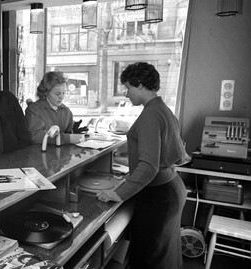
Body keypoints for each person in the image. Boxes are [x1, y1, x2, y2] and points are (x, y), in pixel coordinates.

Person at [96, 62, 190, 269]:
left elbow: (148, 167)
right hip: (171, 187)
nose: (126, 93)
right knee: (164, 254)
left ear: (140, 85)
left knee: (149, 256)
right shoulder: (161, 109)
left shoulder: (151, 114)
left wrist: (118, 193)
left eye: (128, 87)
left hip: (159, 195)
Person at [25, 71, 85, 145]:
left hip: (63, 154)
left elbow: (69, 131)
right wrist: (66, 139)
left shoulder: (66, 111)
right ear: (45, 92)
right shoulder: (34, 110)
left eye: (64, 93)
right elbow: (35, 136)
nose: (61, 97)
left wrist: (76, 131)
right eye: (57, 94)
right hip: (40, 154)